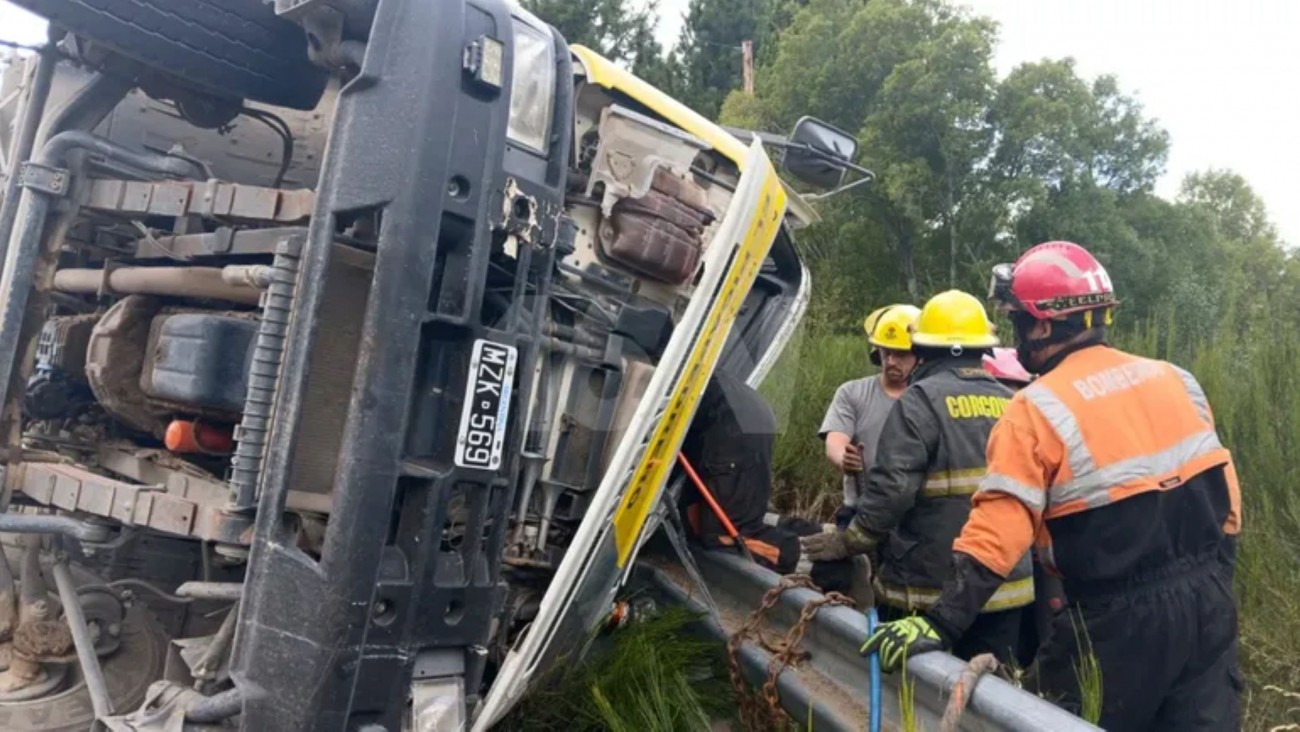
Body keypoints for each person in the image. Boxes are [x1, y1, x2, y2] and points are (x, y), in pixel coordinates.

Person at [861, 241, 1242, 732]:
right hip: (1210, 605)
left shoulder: (1035, 407)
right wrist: (1213, 589)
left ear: (1042, 324)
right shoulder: (1177, 379)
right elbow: (1230, 506)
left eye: (1018, 320)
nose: (1015, 337)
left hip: (1113, 620)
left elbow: (998, 533)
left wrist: (940, 622)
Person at [802, 290, 1033, 667]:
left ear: (923, 349)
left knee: (911, 694)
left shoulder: (920, 399)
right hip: (1003, 588)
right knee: (987, 697)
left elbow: (892, 489)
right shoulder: (1013, 402)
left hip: (926, 588)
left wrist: (852, 540)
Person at [982, 347, 1065, 668]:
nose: (1007, 396)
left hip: (1043, 561)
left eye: (1013, 387)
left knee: (1052, 639)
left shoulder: (1042, 427)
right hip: (1002, 567)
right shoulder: (993, 437)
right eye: (1001, 385)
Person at [679, 368, 799, 573]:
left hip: (729, 423)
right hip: (734, 414)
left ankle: (821, 565)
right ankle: (812, 534)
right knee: (695, 520)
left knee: (725, 534)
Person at [819, 304, 920, 530]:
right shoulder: (852, 393)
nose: (892, 361)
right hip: (859, 511)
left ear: (919, 356)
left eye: (901, 354)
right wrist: (844, 459)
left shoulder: (927, 398)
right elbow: (835, 441)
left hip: (912, 517)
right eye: (886, 352)